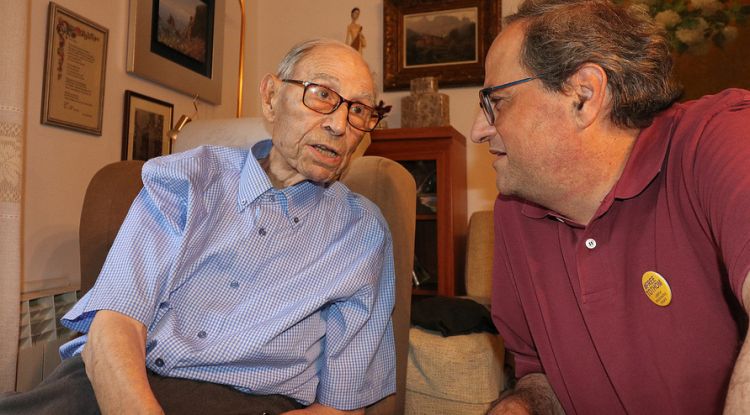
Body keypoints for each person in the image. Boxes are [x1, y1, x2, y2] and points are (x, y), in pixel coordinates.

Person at [0, 38, 392, 415]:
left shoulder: (362, 234)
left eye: (359, 110)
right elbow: (115, 322)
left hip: (245, 403)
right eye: (323, 94)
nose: (341, 125)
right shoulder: (186, 179)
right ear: (271, 96)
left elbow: (339, 406)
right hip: (114, 380)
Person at [469, 0, 750, 414]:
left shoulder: (718, 137)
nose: (478, 129)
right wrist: (519, 407)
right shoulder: (515, 211)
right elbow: (539, 375)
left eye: (496, 100)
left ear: (584, 94)